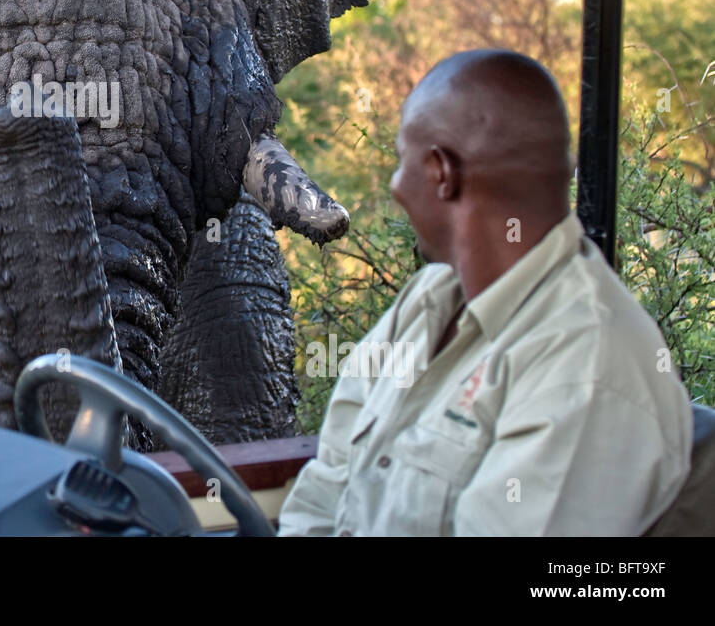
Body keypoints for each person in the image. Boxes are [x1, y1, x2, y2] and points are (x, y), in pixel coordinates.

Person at [277, 49, 692, 536]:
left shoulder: (586, 367)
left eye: (400, 162)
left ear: (441, 174)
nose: (394, 188)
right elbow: (325, 491)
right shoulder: (426, 300)